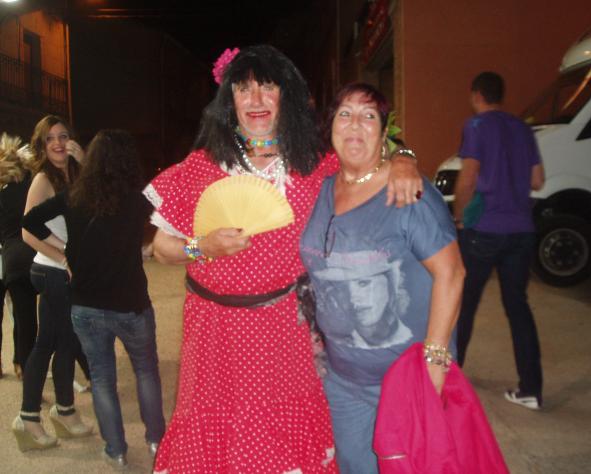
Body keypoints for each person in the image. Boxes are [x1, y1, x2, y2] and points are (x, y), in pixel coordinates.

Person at [145, 45, 422, 473]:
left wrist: (403, 159)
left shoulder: (314, 165)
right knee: (214, 433)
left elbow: (366, 153)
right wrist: (202, 247)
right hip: (213, 332)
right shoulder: (202, 166)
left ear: (285, 95)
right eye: (243, 89)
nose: (255, 100)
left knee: (279, 438)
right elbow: (162, 248)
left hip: (283, 330)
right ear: (229, 100)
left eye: (267, 87)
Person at [299, 82, 464, 474]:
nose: (355, 124)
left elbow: (452, 273)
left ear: (383, 130)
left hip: (406, 378)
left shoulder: (406, 192)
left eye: (368, 115)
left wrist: (435, 361)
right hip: (343, 379)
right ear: (330, 127)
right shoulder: (320, 188)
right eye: (345, 114)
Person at [23, 129, 166, 470]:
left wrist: (65, 252)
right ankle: (156, 441)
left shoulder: (74, 196)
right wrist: (147, 248)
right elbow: (169, 221)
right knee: (146, 372)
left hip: (86, 306)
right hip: (131, 304)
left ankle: (116, 450)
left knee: (102, 379)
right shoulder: (138, 200)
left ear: (92, 160)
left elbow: (30, 221)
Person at [453, 71, 545, 410]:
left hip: (484, 230)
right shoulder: (523, 128)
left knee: (464, 305)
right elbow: (538, 180)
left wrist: (460, 217)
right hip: (521, 231)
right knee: (518, 307)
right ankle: (531, 389)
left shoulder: (476, 126)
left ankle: (450, 380)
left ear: (476, 94)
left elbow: (468, 177)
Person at [12, 115, 93, 452]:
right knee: (54, 343)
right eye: (50, 139)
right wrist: (64, 256)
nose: (58, 143)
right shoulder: (43, 179)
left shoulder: (74, 173)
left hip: (63, 272)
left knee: (62, 343)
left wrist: (84, 160)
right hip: (52, 271)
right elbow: (27, 232)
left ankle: (63, 411)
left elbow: (100, 198)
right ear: (42, 146)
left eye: (63, 136)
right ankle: (30, 417)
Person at [0, 133, 38, 381]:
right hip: (23, 257)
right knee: (24, 315)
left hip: (6, 253)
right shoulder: (31, 187)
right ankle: (22, 363)